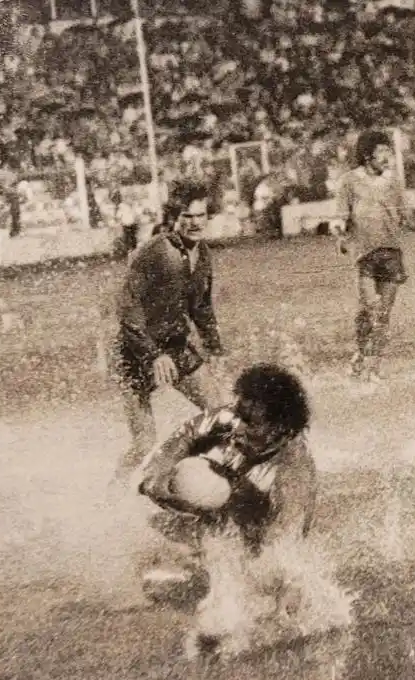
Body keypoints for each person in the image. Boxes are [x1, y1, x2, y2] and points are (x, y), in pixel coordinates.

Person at [136, 363, 317, 655]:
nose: (238, 426)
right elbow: (184, 437)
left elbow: (288, 537)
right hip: (222, 502)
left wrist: (289, 587)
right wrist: (160, 470)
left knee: (254, 574)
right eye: (239, 413)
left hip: (257, 525)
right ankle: (189, 555)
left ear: (279, 429)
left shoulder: (294, 471)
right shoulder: (229, 418)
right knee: (162, 518)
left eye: (250, 421)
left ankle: (206, 575)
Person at [110, 179, 225, 480]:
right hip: (135, 353)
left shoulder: (204, 255)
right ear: (174, 217)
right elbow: (128, 309)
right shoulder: (155, 252)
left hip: (175, 348)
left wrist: (214, 348)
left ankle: (197, 477)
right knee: (144, 444)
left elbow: (201, 306)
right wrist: (153, 356)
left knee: (220, 412)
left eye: (200, 215)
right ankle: (113, 494)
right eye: (187, 216)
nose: (195, 223)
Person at [332, 129, 415, 382]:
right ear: (367, 156)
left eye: (389, 151)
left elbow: (405, 213)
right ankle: (361, 355)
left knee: (383, 313)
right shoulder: (349, 181)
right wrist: (340, 233)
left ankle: (372, 366)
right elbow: (340, 215)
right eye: (382, 152)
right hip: (364, 253)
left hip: (391, 252)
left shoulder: (393, 182)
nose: (388, 157)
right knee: (368, 310)